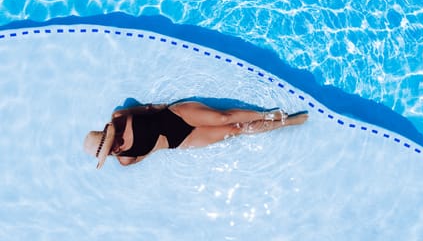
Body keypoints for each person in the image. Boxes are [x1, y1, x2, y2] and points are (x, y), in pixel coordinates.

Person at [83, 100, 309, 169]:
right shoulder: (125, 159)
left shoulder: (120, 116)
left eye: (109, 145)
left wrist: (161, 106)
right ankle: (288, 122)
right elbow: (150, 150)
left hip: (178, 116)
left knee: (224, 118)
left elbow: (149, 109)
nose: (112, 149)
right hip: (181, 141)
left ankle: (268, 115)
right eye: (108, 152)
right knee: (234, 130)